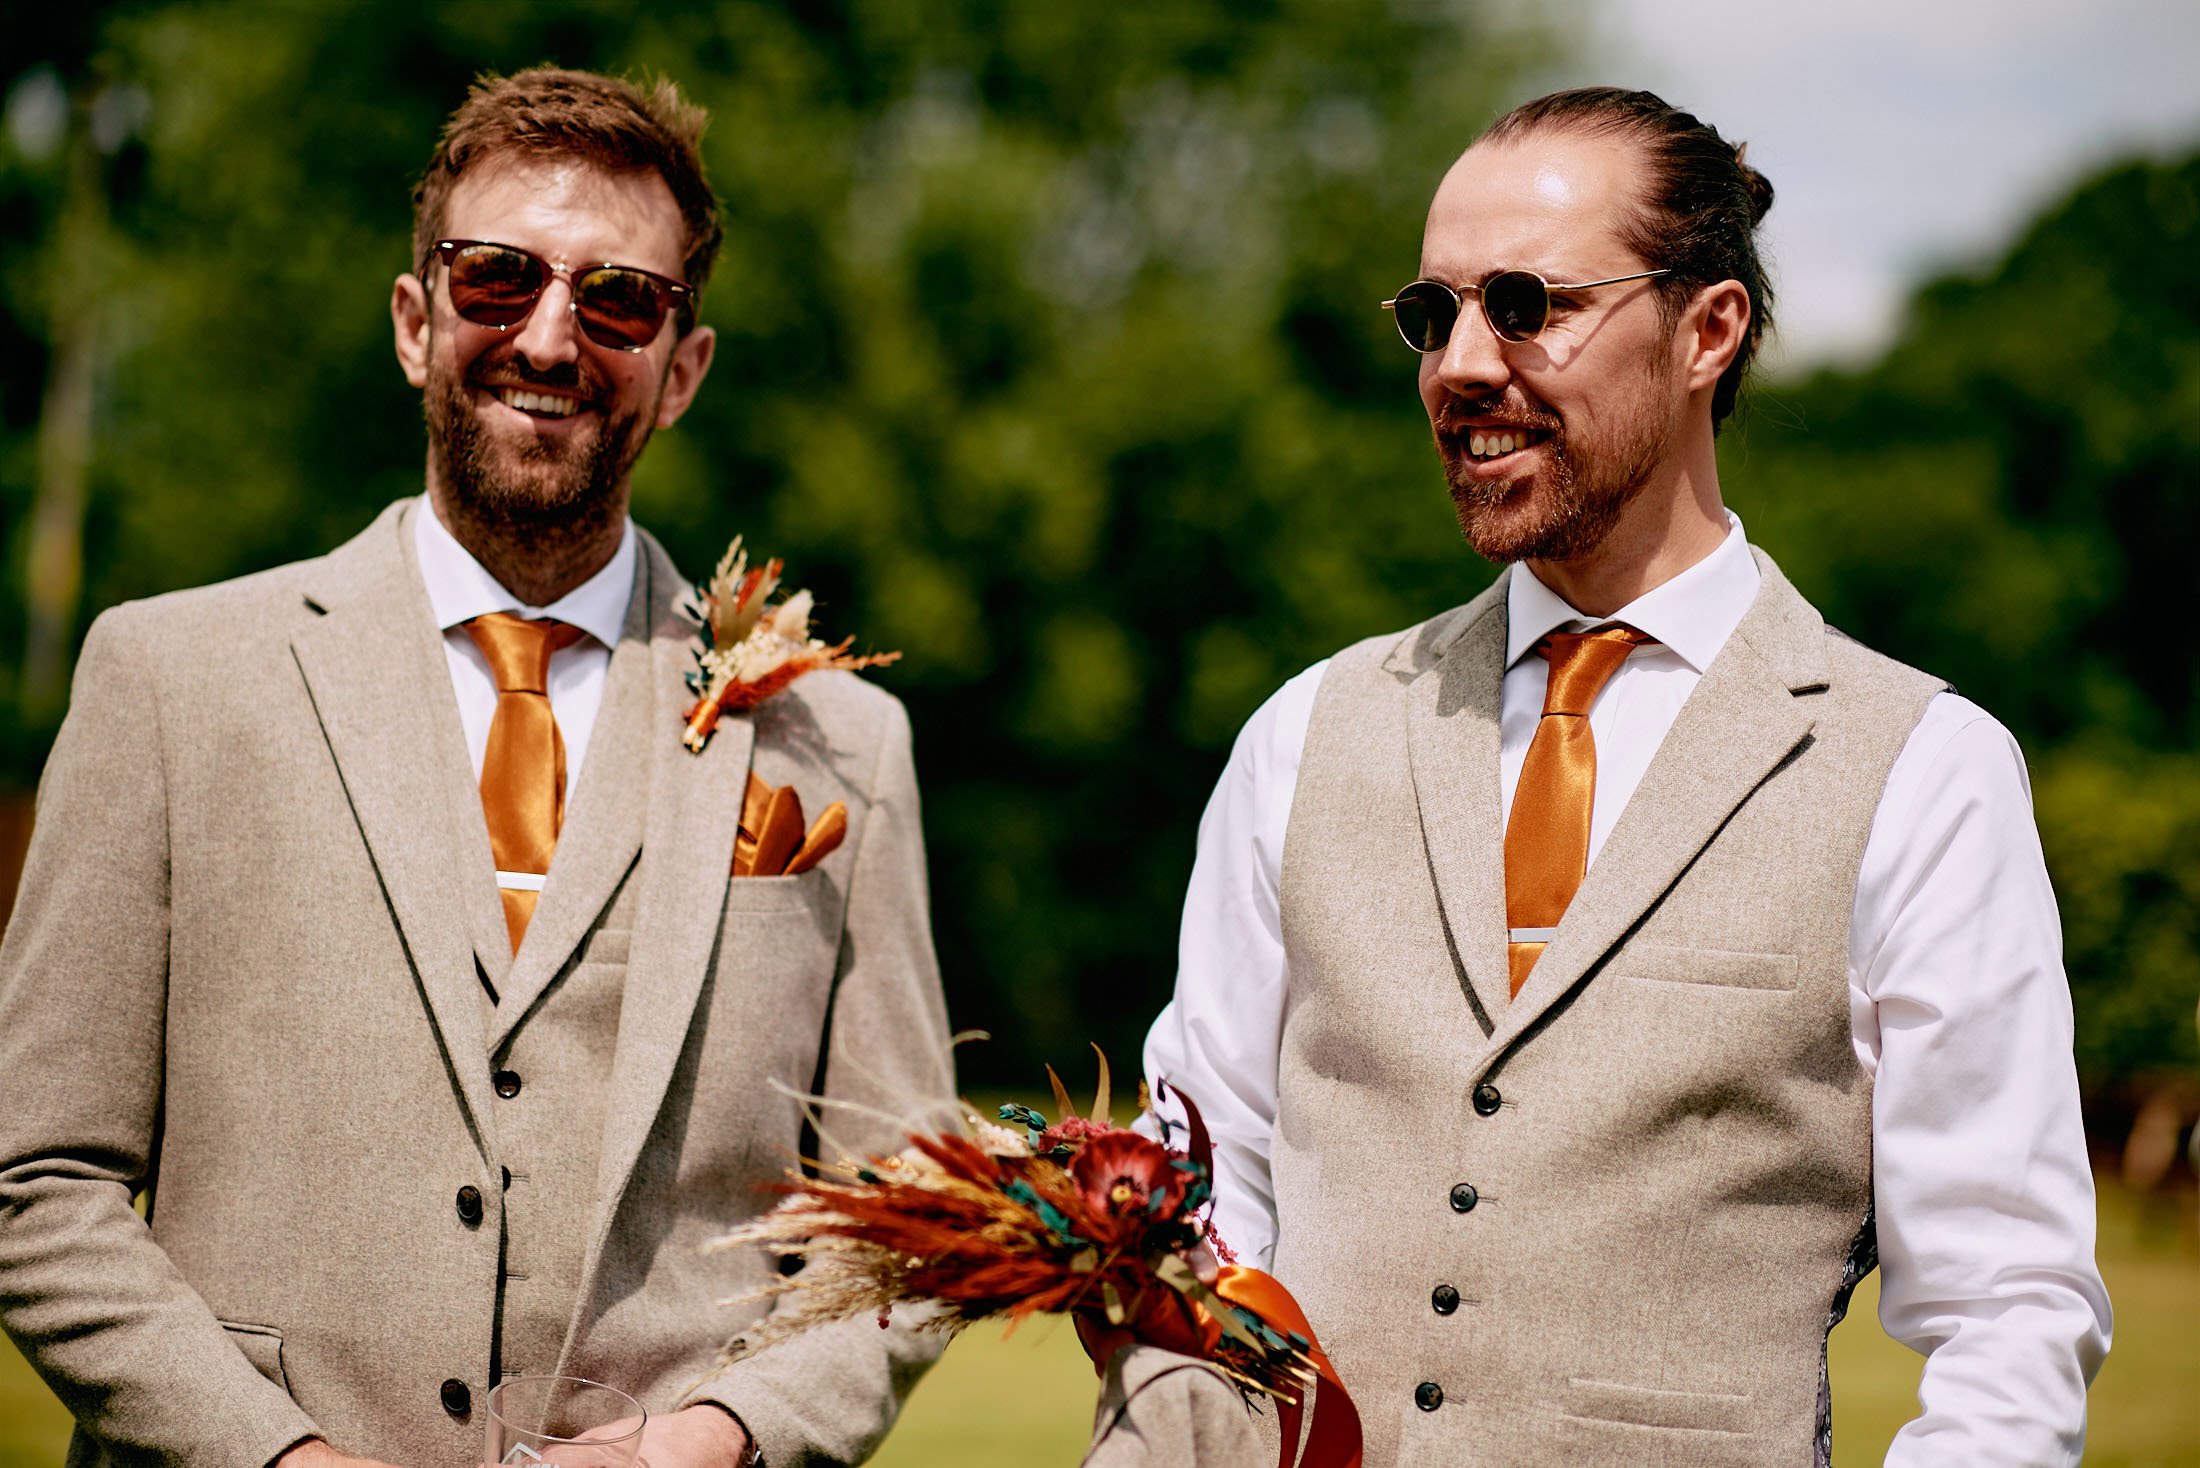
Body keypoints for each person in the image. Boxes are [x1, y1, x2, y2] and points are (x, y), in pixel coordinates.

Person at [1137, 87, 2111, 1466]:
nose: (1462, 364)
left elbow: (2007, 1305)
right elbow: (1198, 1198)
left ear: (1708, 330)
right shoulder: (1304, 734)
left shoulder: (1923, 772)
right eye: (1434, 315)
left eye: (1527, 303)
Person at [0, 68, 951, 1468]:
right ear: (414, 320)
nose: (552, 337)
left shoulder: (839, 742)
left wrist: (713, 1438)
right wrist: (275, 1458)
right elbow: (38, 1179)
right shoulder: (169, 680)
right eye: (499, 277)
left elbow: (908, 1215)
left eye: (618, 299)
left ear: (682, 368)